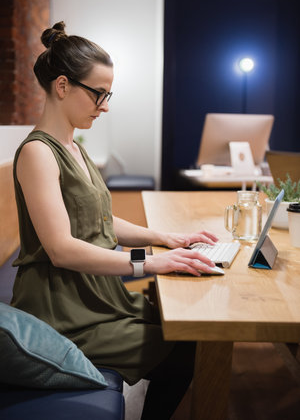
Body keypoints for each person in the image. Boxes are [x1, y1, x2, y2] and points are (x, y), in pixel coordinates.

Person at [11, 21, 218, 419]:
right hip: (61, 307)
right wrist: (148, 261)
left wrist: (167, 237)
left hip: (95, 293)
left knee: (190, 330)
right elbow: (61, 249)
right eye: (99, 94)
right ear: (62, 86)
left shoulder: (73, 145)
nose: (105, 105)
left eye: (108, 94)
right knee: (180, 341)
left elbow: (101, 220)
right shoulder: (38, 153)